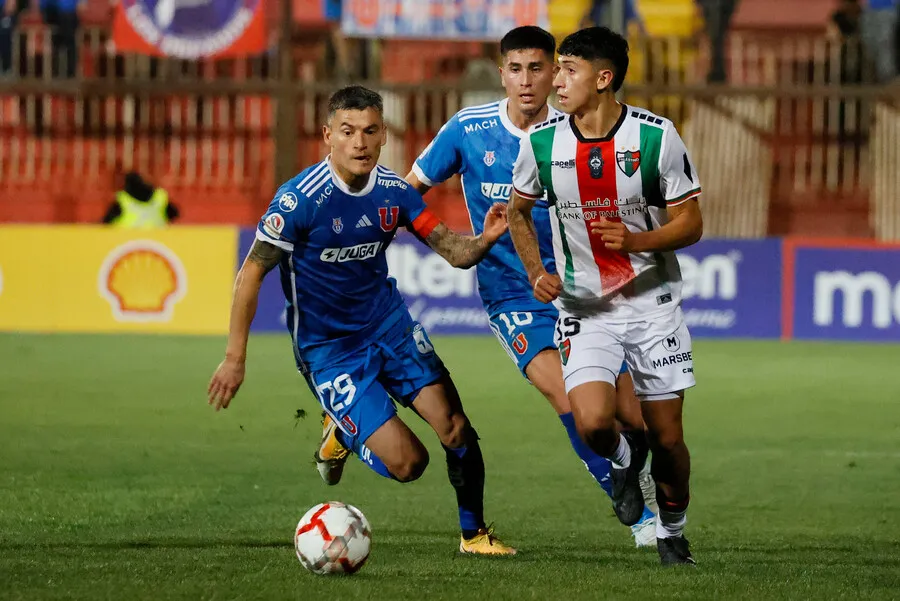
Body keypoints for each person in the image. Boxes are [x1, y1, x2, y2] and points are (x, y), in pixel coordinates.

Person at [207, 85, 517, 556]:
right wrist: (235, 357)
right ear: (328, 135)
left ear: (383, 136)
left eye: (370, 131)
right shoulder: (299, 201)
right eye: (348, 132)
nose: (360, 143)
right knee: (410, 464)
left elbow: (454, 253)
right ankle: (341, 433)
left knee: (455, 426)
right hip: (330, 352)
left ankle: (473, 536)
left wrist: (486, 237)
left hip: (390, 329)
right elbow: (251, 271)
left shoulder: (395, 193)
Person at [405, 25, 657, 547]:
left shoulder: (579, 132)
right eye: (515, 69)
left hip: (587, 292)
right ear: (501, 74)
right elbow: (408, 195)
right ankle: (641, 520)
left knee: (631, 417)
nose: (526, 81)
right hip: (513, 296)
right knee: (567, 398)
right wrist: (459, 245)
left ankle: (633, 468)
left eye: (538, 68)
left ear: (557, 73)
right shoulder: (468, 130)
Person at [508, 27, 703, 566]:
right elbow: (516, 212)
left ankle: (673, 532)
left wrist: (638, 240)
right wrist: (535, 272)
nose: (555, 80)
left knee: (667, 440)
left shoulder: (656, 137)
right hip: (583, 308)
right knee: (593, 423)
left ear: (603, 78)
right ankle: (622, 458)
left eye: (567, 69)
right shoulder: (542, 143)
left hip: (652, 307)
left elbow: (691, 222)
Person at [102, 172, 179, 228]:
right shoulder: (160, 197)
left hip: (125, 242)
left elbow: (105, 222)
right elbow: (174, 214)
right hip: (157, 242)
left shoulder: (122, 200)